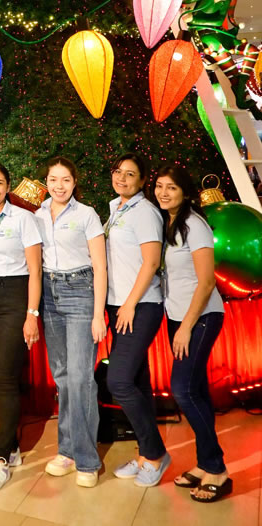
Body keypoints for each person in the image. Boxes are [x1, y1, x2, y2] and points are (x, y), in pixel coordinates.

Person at [153, 165, 231, 502]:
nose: (164, 192)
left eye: (171, 187)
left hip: (200, 317)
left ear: (185, 192)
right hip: (178, 316)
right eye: (159, 186)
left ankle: (216, 468)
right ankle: (203, 463)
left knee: (182, 390)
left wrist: (185, 327)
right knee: (196, 389)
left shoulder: (194, 225)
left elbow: (207, 281)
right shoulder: (168, 222)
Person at [35, 157, 107, 488]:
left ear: (75, 182)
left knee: (80, 378)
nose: (59, 185)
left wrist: (97, 314)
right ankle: (66, 450)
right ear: (46, 182)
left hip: (80, 291)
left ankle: (87, 460)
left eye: (65, 179)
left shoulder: (86, 214)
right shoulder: (37, 215)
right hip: (49, 295)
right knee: (63, 378)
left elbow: (100, 266)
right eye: (53, 179)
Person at [0, 162, 42, 493]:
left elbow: (35, 270)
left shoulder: (23, 219)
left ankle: (1, 459)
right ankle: (10, 447)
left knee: (5, 377)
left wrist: (32, 314)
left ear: (8, 186)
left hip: (14, 297)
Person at [104, 153, 169, 487]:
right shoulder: (117, 208)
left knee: (118, 381)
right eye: (118, 171)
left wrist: (129, 304)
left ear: (143, 181)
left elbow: (151, 262)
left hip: (140, 306)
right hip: (119, 305)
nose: (122, 178)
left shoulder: (144, 212)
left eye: (130, 174)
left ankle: (155, 453)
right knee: (138, 381)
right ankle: (146, 454)